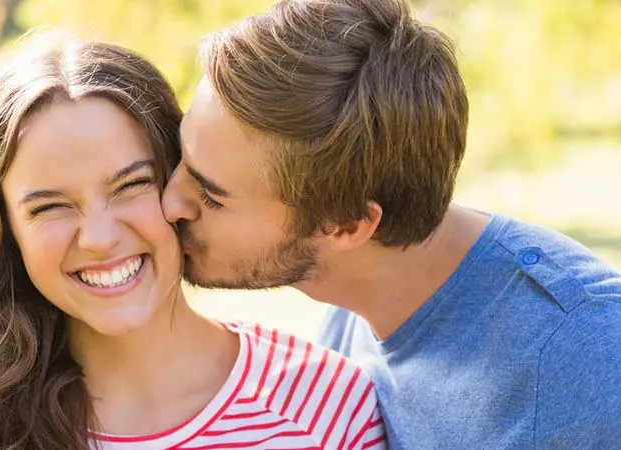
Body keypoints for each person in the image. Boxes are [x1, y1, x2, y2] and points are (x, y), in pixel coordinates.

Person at [160, 0, 621, 448]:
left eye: (209, 195)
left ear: (345, 225)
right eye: (181, 158)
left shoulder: (590, 355)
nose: (169, 202)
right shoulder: (352, 298)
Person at [0, 32, 386, 449]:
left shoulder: (327, 408)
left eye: (130, 185)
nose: (100, 239)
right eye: (49, 207)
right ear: (8, 231)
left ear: (180, 180)